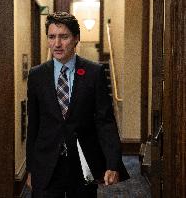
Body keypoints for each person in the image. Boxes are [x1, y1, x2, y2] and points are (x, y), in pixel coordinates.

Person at [25, 11, 129, 198]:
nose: (57, 44)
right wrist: (31, 169)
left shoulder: (94, 72)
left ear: (76, 38)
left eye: (63, 37)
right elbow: (33, 125)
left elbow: (105, 121)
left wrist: (112, 163)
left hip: (83, 163)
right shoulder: (36, 75)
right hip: (46, 163)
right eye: (52, 37)